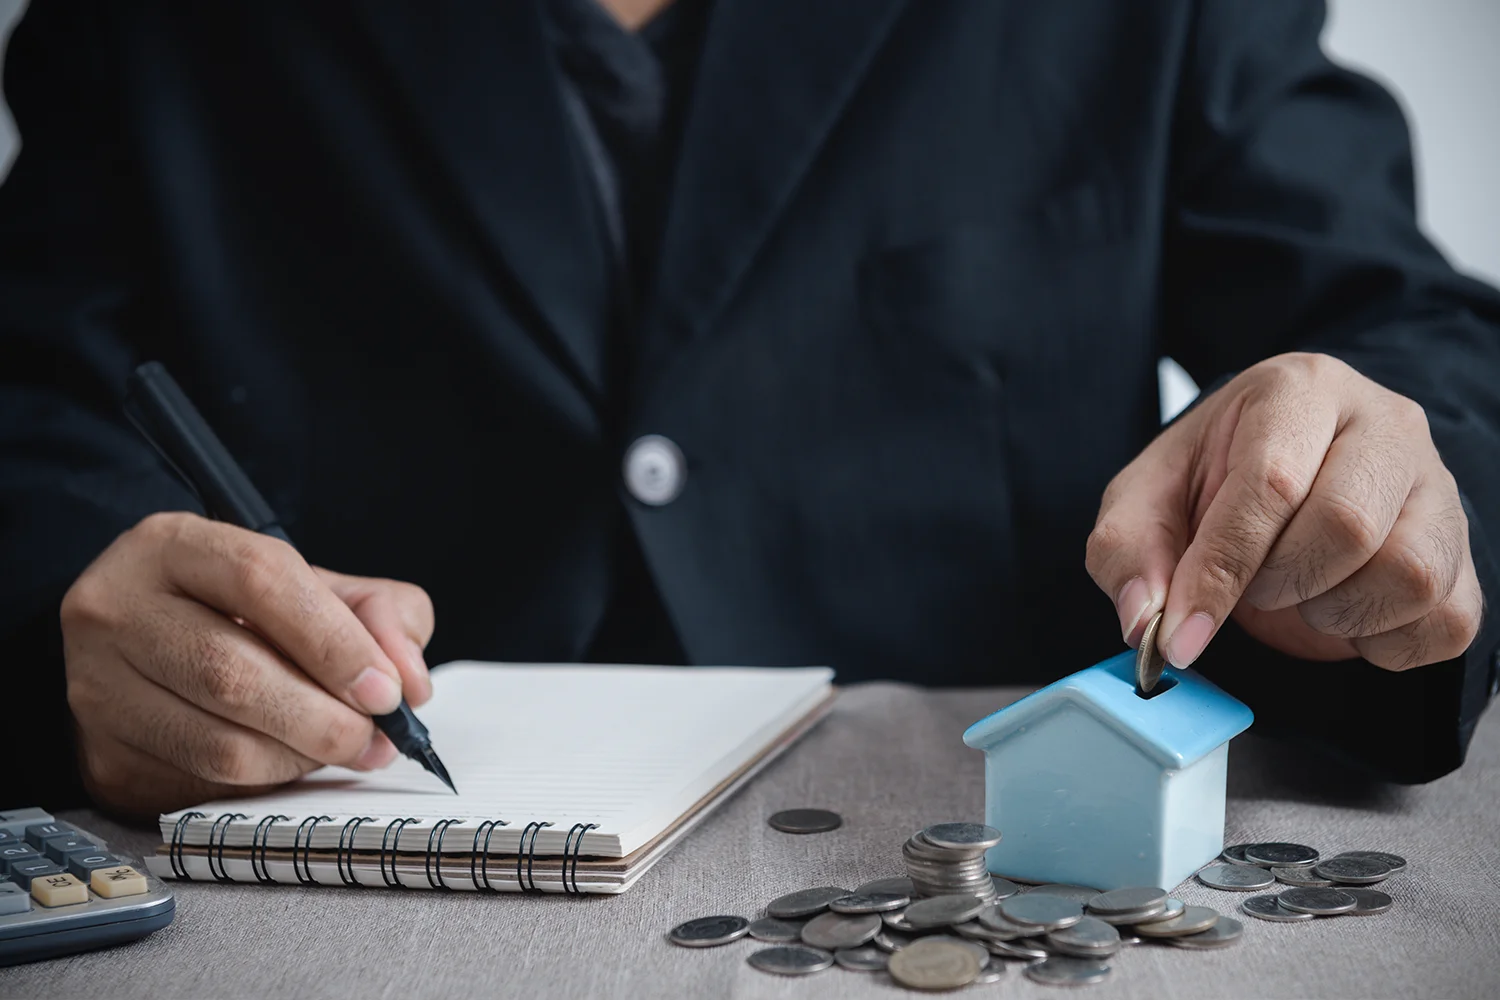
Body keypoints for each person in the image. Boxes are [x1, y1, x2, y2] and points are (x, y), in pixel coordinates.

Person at [1, 0, 1497, 816]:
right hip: (354, 865)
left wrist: (1377, 480)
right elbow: (30, 401)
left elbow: (1404, 335)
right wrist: (61, 617)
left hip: (982, 852)